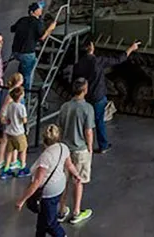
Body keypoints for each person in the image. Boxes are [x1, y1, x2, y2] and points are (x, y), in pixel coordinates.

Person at [15, 124, 83, 237]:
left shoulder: (46, 157)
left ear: (43, 139)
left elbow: (37, 181)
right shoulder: (63, 147)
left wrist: (22, 200)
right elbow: (69, 165)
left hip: (48, 193)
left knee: (51, 223)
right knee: (43, 218)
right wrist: (77, 175)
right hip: (59, 186)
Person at [72, 39, 139, 154]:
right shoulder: (98, 61)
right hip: (98, 96)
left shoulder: (79, 64)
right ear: (92, 48)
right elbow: (118, 59)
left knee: (85, 121)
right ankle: (103, 145)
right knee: (99, 121)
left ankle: (82, 144)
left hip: (85, 96)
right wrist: (131, 48)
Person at [57, 78, 95, 224]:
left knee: (64, 181)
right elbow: (88, 131)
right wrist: (90, 147)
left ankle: (61, 210)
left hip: (65, 148)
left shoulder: (65, 106)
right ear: (85, 90)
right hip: (80, 150)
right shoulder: (87, 108)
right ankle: (76, 212)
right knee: (78, 181)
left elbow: (59, 128)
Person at [10, 2, 57, 93]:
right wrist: (50, 28)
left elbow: (12, 29)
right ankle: (25, 96)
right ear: (33, 12)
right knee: (28, 76)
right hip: (27, 53)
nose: (41, 10)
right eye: (39, 9)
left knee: (23, 70)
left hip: (15, 52)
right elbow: (42, 37)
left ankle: (17, 86)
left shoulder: (22, 19)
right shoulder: (37, 23)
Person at [0, 73, 24, 171]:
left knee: (5, 141)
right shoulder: (14, 94)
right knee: (10, 141)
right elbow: (4, 108)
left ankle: (2, 161)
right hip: (11, 123)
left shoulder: (11, 92)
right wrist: (3, 118)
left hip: (8, 121)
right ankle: (11, 161)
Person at [0, 86, 29, 179]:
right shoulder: (21, 107)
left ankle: (6, 170)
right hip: (19, 133)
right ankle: (22, 168)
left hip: (10, 132)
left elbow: (5, 118)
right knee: (23, 150)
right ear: (20, 97)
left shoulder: (10, 105)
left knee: (9, 151)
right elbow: (24, 120)